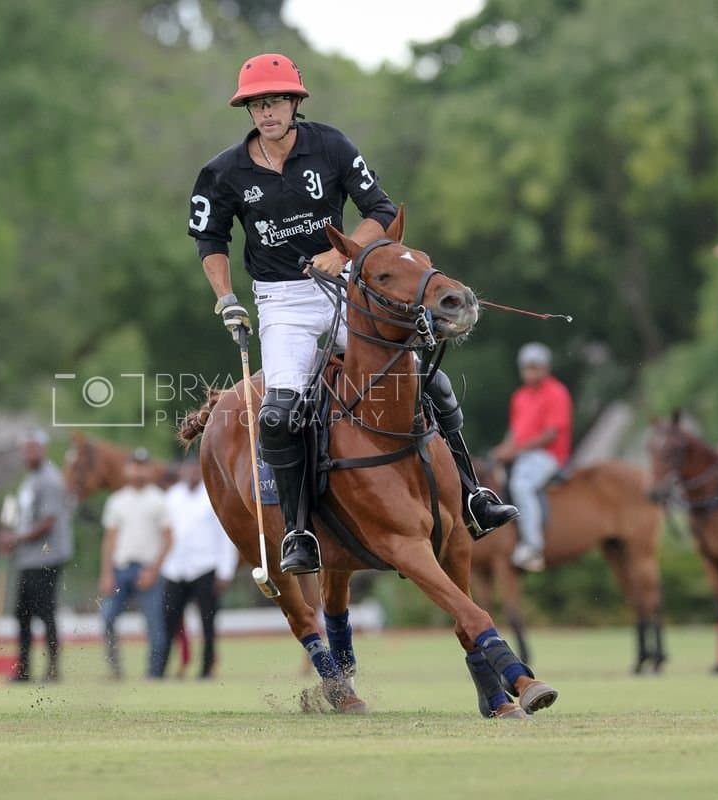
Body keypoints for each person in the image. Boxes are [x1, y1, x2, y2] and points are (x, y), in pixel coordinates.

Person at [188, 52, 516, 576]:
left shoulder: (331, 145)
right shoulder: (224, 171)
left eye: (274, 101)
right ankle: (299, 531)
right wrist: (226, 297)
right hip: (281, 301)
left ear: (295, 102)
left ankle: (473, 493)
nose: (265, 111)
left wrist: (344, 253)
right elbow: (211, 238)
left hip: (346, 287)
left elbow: (381, 212)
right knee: (278, 413)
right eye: (256, 104)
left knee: (427, 381)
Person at [0, 429, 72, 682]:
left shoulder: (49, 479)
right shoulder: (29, 480)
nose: (29, 453)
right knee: (23, 614)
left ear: (43, 449)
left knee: (45, 611)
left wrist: (15, 539)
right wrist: (10, 534)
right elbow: (21, 516)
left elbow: (47, 523)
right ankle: (24, 669)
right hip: (28, 558)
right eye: (25, 449)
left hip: (46, 557)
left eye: (33, 448)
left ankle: (52, 669)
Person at [491, 343, 574, 573]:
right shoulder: (519, 397)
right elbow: (515, 433)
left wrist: (515, 451)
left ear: (545, 368)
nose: (531, 372)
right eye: (527, 368)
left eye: (535, 367)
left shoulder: (556, 392)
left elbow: (551, 434)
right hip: (523, 454)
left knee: (522, 485)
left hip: (549, 455)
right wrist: (502, 450)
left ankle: (533, 547)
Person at [160, 456, 238, 679]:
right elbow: (165, 533)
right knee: (168, 623)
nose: (192, 473)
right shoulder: (173, 496)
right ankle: (159, 670)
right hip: (175, 568)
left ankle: (206, 670)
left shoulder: (212, 496)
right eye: (188, 470)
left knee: (208, 623)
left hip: (206, 567)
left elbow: (225, 537)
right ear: (182, 472)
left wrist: (225, 571)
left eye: (196, 470)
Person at [99, 449, 172, 679]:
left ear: (149, 469)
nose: (139, 471)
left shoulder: (158, 499)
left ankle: (153, 674)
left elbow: (169, 539)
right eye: (135, 465)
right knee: (108, 617)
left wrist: (153, 570)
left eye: (143, 466)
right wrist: (107, 573)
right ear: (127, 469)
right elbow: (110, 540)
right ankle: (115, 668)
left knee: (154, 625)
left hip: (147, 570)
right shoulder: (117, 500)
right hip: (121, 569)